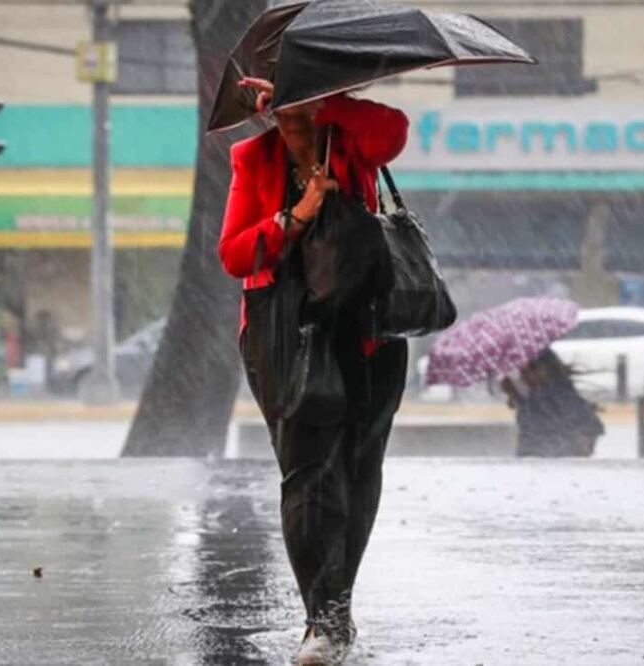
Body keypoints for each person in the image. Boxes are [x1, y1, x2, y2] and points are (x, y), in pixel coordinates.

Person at [218, 77, 409, 665]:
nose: (289, 120)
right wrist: (295, 217)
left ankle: (337, 606)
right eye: (280, 109)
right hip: (286, 336)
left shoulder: (351, 141)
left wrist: (324, 100)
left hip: (369, 331)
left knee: (358, 471)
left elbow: (395, 130)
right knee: (308, 476)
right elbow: (233, 253)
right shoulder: (253, 158)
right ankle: (320, 621)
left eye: (296, 103)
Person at [501, 349, 604, 457]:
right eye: (521, 370)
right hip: (534, 459)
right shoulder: (535, 395)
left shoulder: (561, 395)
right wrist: (514, 395)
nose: (525, 374)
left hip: (552, 459)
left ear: (547, 369)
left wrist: (581, 442)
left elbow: (590, 425)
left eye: (532, 368)